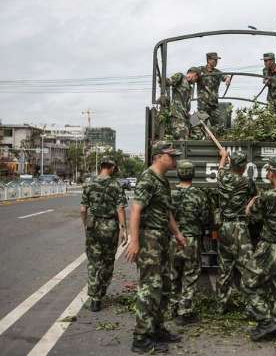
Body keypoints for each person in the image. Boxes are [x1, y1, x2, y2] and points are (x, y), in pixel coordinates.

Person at [125, 141, 188, 354]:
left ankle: (157, 328)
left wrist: (177, 233)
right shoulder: (148, 178)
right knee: (150, 288)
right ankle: (141, 338)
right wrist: (134, 241)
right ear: (159, 156)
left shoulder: (162, 181)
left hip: (161, 237)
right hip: (149, 238)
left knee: (164, 286)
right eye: (172, 156)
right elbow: (135, 210)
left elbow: (166, 212)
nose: (175, 160)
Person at [243, 156, 276, 341]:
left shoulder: (267, 196)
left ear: (272, 173)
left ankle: (266, 322)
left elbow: (252, 215)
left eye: (267, 171)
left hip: (269, 246)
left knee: (249, 282)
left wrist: (251, 202)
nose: (266, 173)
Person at [80, 156, 127, 312]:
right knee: (107, 262)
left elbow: (82, 209)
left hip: (93, 226)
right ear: (112, 167)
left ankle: (94, 298)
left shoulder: (89, 183)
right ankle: (101, 293)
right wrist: (124, 229)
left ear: (101, 166)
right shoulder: (116, 185)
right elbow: (120, 209)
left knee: (93, 262)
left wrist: (85, 223)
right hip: (110, 227)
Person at [167, 160, 209, 326]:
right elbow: (206, 218)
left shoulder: (170, 194)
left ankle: (171, 308)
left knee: (173, 275)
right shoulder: (199, 195)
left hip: (173, 239)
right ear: (193, 174)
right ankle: (185, 312)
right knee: (190, 276)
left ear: (178, 174)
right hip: (191, 240)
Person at [216, 148, 257, 314]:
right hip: (239, 227)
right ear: (244, 166)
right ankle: (251, 306)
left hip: (224, 227)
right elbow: (255, 197)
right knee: (248, 267)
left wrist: (223, 157)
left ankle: (221, 305)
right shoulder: (247, 182)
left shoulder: (222, 178)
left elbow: (220, 170)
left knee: (224, 268)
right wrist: (247, 206)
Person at [194, 52, 231, 136]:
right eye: (214, 60)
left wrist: (228, 79)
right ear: (208, 60)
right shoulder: (200, 70)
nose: (216, 61)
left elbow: (225, 77)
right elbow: (191, 75)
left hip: (214, 106)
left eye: (217, 60)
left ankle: (219, 145)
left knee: (220, 128)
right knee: (196, 127)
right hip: (202, 105)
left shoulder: (217, 72)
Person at [167, 67, 201, 140]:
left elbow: (186, 104)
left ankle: (194, 146)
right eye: (196, 79)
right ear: (195, 75)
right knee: (182, 135)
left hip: (185, 115)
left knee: (199, 122)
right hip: (177, 114)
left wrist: (191, 116)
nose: (195, 82)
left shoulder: (190, 87)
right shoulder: (180, 77)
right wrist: (162, 81)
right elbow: (168, 82)